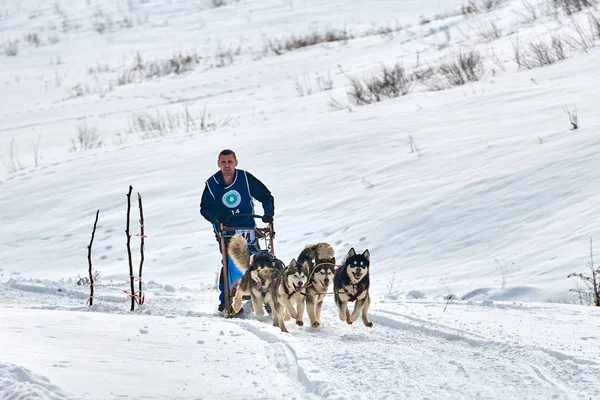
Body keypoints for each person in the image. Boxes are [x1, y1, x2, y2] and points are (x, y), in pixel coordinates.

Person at [200, 149, 274, 311]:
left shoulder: (245, 179)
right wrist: (216, 217)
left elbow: (265, 195)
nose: (227, 166)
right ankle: (226, 299)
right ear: (219, 164)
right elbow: (205, 208)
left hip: (248, 229)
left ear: (236, 162)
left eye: (230, 162)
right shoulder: (212, 184)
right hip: (226, 231)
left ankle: (266, 295)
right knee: (229, 262)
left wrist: (268, 213)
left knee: (256, 260)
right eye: (223, 162)